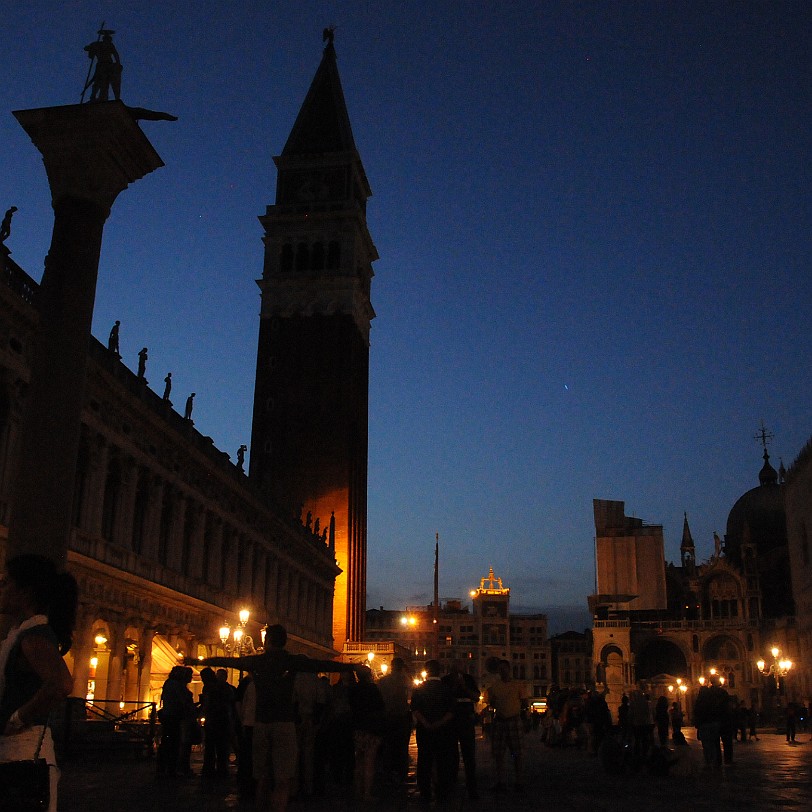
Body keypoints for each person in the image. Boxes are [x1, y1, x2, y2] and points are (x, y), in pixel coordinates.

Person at [192, 623, 360, 812]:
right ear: (285, 641)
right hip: (284, 724)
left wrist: (200, 661)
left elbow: (230, 662)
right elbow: (323, 665)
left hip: (261, 724)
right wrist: (352, 666)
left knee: (262, 777)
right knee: (283, 779)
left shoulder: (258, 661)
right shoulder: (290, 661)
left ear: (266, 640)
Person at [0, 554, 78, 812]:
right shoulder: (23, 633)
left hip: (22, 756)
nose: (1, 588)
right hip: (16, 754)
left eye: (6, 583)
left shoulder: (34, 635)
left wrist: (18, 718)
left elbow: (61, 684)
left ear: (25, 592)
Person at [411, 659, 456, 805]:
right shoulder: (446, 688)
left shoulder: (419, 689)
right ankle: (442, 792)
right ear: (440, 671)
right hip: (443, 731)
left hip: (424, 731)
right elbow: (451, 712)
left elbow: (415, 710)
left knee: (424, 760)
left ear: (426, 671)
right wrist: (439, 723)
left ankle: (425, 792)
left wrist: (426, 723)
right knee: (443, 761)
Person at [484, 659, 526, 791]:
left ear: (509, 669)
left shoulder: (518, 685)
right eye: (500, 669)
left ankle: (519, 781)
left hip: (514, 720)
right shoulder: (494, 687)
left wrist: (523, 715)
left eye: (504, 668)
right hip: (500, 721)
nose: (502, 671)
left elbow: (524, 702)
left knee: (516, 753)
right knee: (498, 754)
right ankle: (500, 781)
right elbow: (492, 702)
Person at [442, 660, 480, 799]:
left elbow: (476, 697)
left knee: (469, 754)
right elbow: (443, 698)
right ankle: (451, 782)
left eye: (462, 668)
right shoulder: (445, 681)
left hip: (466, 721)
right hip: (450, 722)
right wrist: (454, 687)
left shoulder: (469, 679)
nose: (460, 671)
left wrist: (464, 687)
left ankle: (472, 786)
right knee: (450, 754)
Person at [348, 666, 386, 802]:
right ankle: (367, 793)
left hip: (357, 727)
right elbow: (381, 706)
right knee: (369, 761)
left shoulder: (353, 689)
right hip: (371, 727)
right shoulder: (373, 689)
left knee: (358, 760)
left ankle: (358, 790)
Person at [376, 656, 412, 790]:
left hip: (387, 717)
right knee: (402, 747)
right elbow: (411, 690)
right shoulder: (404, 680)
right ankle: (401, 774)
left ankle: (388, 773)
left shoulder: (383, 681)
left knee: (388, 746)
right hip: (401, 716)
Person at [156, 665, 195, 777]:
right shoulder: (176, 685)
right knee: (172, 742)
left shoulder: (170, 683)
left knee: (169, 742)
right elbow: (181, 701)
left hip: (171, 715)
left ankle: (165, 768)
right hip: (174, 716)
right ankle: (171, 768)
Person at [693, 676, 729, 770]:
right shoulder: (720, 693)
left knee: (708, 744)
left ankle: (710, 761)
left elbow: (696, 712)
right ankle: (718, 760)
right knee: (716, 742)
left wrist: (697, 723)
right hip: (715, 721)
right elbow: (725, 707)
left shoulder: (702, 699)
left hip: (705, 723)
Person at [84, 30, 122, 101]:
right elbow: (115, 55)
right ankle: (97, 96)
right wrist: (92, 49)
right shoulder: (101, 45)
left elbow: (115, 54)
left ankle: (100, 96)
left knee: (101, 81)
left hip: (104, 65)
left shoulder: (97, 44)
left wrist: (118, 63)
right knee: (101, 81)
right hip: (104, 65)